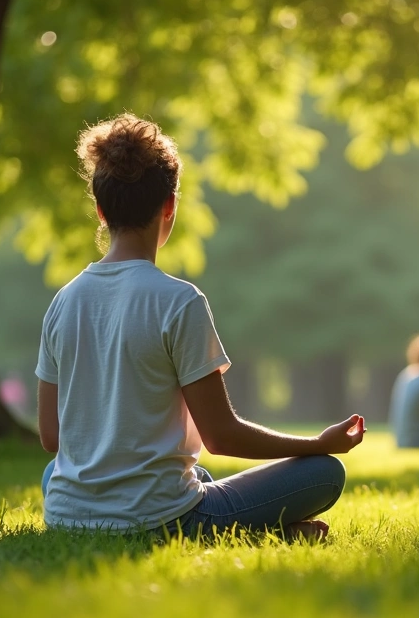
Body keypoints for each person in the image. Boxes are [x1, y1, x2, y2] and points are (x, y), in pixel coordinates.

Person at [36, 114, 365, 541]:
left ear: (100, 211)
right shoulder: (179, 301)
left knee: (57, 473)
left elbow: (51, 437)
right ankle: (261, 532)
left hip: (70, 515)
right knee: (324, 473)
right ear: (170, 206)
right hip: (161, 518)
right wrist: (317, 444)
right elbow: (221, 434)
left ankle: (264, 530)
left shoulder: (62, 302)